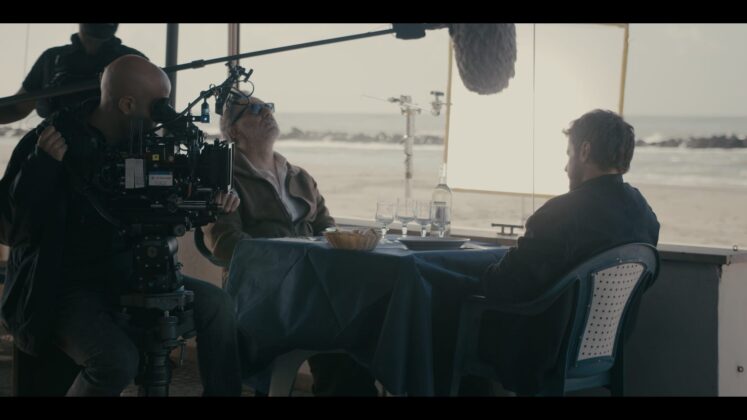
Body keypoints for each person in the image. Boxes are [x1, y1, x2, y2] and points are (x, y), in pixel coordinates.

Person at [0, 55, 243, 396]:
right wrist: (41, 167)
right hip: (63, 284)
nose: (163, 114)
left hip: (132, 273)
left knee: (218, 305)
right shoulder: (51, 140)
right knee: (116, 361)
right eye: (158, 105)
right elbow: (10, 228)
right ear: (127, 104)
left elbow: (176, 197)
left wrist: (217, 200)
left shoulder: (146, 142)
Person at [202, 91, 379, 396]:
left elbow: (327, 229)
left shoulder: (300, 177)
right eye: (253, 109)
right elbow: (226, 245)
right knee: (342, 323)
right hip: (262, 292)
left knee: (363, 316)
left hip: (313, 286)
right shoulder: (225, 180)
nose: (266, 112)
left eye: (267, 106)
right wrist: (294, 260)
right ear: (233, 131)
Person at [477, 109, 660, 395]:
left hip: (542, 353)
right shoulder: (644, 212)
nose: (565, 167)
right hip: (605, 348)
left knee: (452, 307)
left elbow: (507, 285)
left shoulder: (562, 212)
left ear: (584, 151)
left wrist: (479, 277)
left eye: (568, 153)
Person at [0, 23, 145, 124]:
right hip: (56, 154)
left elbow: (151, 113)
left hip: (114, 156)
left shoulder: (135, 61)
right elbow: (16, 108)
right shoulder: (51, 59)